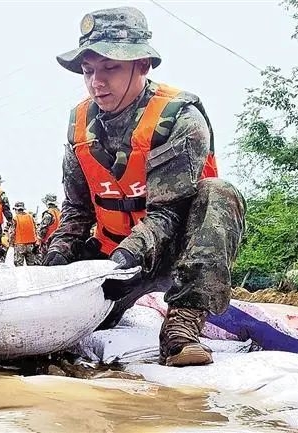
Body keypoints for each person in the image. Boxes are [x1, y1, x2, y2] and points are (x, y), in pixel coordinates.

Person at [45, 7, 246, 367]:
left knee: (219, 192)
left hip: (171, 253)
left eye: (111, 68)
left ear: (142, 65)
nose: (96, 82)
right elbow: (76, 210)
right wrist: (57, 258)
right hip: (112, 254)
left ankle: (181, 327)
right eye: (89, 71)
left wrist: (126, 261)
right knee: (63, 330)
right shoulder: (78, 124)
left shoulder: (180, 119)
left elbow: (168, 214)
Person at [9, 201, 38, 266]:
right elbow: (36, 229)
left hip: (19, 245)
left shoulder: (15, 218)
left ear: (16, 209)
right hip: (31, 245)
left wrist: (11, 244)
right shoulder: (31, 217)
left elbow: (12, 233)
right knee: (32, 266)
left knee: (19, 267)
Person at [36, 193, 62, 258]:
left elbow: (43, 229)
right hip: (59, 242)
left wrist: (38, 241)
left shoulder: (48, 213)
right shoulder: (61, 213)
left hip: (48, 243)